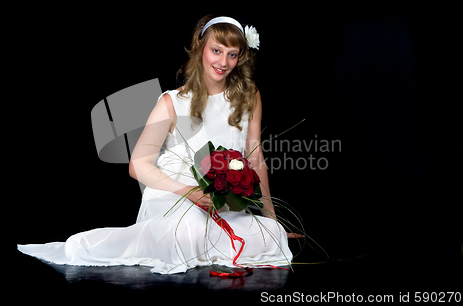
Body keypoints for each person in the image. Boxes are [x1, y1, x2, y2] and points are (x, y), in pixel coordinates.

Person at [18, 15, 297, 274]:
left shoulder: (249, 97)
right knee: (187, 234)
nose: (223, 61)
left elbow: (254, 156)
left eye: (232, 54)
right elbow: (137, 165)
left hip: (220, 198)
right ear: (201, 49)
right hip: (175, 193)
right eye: (216, 50)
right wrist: (188, 192)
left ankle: (230, 234)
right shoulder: (171, 102)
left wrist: (271, 218)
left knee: (268, 238)